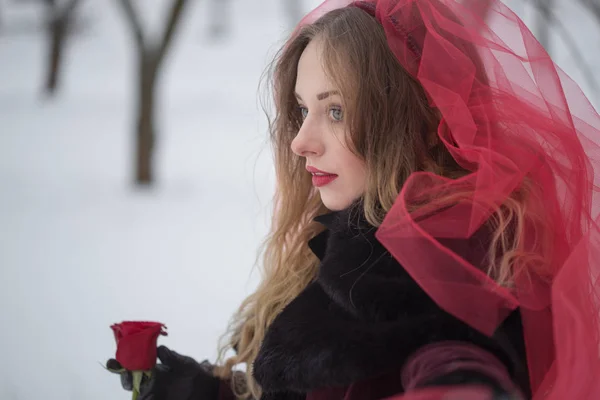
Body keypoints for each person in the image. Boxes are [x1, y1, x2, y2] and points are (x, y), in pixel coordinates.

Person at [107, 1, 600, 399]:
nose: (301, 140)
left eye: (336, 110)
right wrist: (203, 392)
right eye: (302, 109)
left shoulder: (454, 262)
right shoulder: (362, 240)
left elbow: (452, 349)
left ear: (416, 120)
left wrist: (460, 386)